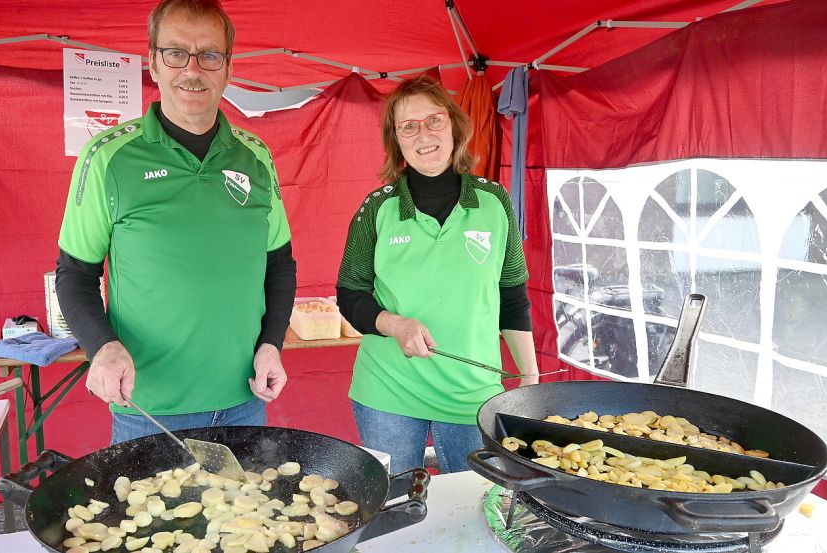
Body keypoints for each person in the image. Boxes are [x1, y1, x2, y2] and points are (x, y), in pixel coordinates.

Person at [55, 0, 296, 444]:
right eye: (175, 53)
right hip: (149, 408)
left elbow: (279, 263)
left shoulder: (256, 156)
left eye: (209, 55)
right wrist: (103, 349)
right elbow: (74, 274)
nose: (192, 69)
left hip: (245, 399)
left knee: (244, 515)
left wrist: (271, 344)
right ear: (153, 63)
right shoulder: (108, 157)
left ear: (227, 67)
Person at [337, 75, 539, 474]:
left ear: (455, 126)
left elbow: (512, 296)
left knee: (473, 509)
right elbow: (350, 293)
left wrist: (530, 379)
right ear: (396, 139)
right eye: (408, 126)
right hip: (387, 392)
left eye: (434, 120)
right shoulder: (378, 208)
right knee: (394, 509)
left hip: (474, 396)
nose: (423, 134)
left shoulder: (494, 201)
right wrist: (394, 324)